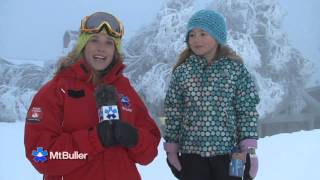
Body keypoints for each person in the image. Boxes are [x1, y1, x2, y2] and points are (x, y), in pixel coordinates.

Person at [24, 12, 161, 180]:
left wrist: (134, 138)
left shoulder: (125, 90)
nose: (101, 48)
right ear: (82, 44)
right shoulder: (57, 90)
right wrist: (94, 140)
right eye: (94, 40)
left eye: (109, 43)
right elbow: (40, 155)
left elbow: (149, 153)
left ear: (115, 50)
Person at [163, 9, 260, 180]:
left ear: (217, 37)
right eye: (191, 35)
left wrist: (249, 150)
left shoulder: (235, 69)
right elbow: (174, 111)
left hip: (229, 155)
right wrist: (171, 149)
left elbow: (246, 110)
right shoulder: (182, 71)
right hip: (191, 155)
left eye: (203, 33)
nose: (196, 39)